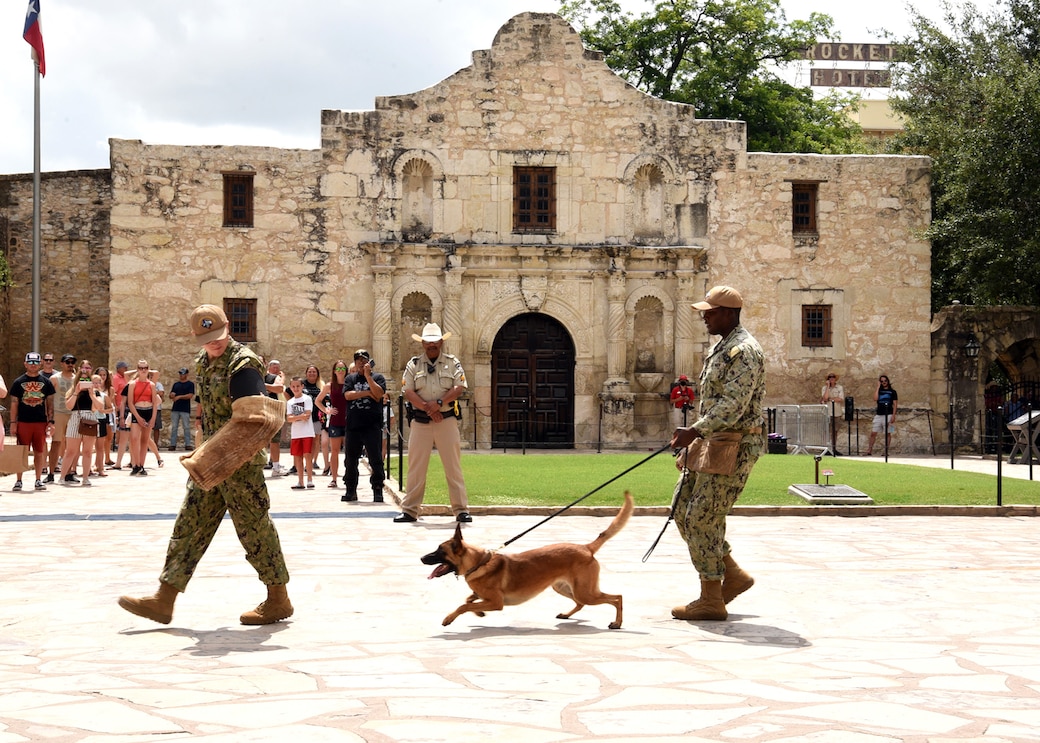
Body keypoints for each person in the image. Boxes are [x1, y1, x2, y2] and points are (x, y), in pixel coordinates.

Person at [118, 304, 292, 626]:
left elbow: (251, 419)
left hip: (239, 463)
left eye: (218, 336)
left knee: (254, 529)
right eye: (207, 339)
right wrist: (204, 451)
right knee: (189, 524)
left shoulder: (243, 364)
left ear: (228, 327)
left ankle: (278, 598)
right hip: (211, 463)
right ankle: (164, 599)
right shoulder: (204, 361)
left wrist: (210, 454)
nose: (214, 343)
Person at [669, 286, 765, 622]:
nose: (704, 316)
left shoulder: (744, 351)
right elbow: (713, 404)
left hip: (735, 444)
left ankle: (711, 597)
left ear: (729, 312)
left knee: (702, 517)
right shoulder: (722, 347)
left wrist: (693, 431)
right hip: (713, 440)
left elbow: (732, 406)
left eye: (710, 311)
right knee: (681, 510)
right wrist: (695, 441)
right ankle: (733, 575)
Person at [397, 323, 470, 523]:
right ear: (423, 344)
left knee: (453, 466)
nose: (431, 345)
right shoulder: (413, 364)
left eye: (435, 342)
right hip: (421, 422)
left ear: (440, 342)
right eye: (428, 342)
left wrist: (439, 404)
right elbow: (408, 391)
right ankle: (410, 510)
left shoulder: (452, 362)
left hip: (445, 420)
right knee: (416, 467)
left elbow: (459, 387)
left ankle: (461, 509)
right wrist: (428, 408)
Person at [342, 349, 387, 504]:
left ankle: (377, 489)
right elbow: (348, 395)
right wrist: (367, 393)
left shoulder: (378, 377)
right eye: (358, 360)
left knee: (375, 459)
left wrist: (368, 377)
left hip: (372, 425)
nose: (361, 363)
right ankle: (350, 490)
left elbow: (379, 394)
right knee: (350, 460)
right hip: (353, 426)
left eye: (364, 360)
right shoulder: (350, 378)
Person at [8, 352, 56, 492]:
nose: (33, 365)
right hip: (23, 421)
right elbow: (14, 403)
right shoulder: (18, 382)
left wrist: (51, 421)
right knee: (22, 451)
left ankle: (38, 479)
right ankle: (18, 480)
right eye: (30, 362)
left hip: (40, 421)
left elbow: (50, 403)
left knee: (39, 451)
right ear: (25, 364)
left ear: (40, 363)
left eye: (35, 363)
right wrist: (13, 422)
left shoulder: (46, 382)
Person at [59, 359, 103, 487]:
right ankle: (62, 476)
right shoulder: (73, 389)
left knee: (88, 451)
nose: (85, 370)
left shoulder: (95, 391)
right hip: (75, 417)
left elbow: (99, 406)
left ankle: (85, 477)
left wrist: (92, 394)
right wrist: (76, 392)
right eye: (83, 367)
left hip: (89, 418)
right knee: (71, 450)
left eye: (88, 368)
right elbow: (68, 406)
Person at [47, 353, 78, 483]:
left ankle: (69, 472)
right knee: (56, 443)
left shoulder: (77, 378)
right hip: (59, 413)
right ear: (62, 364)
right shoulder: (55, 378)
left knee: (72, 445)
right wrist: (49, 416)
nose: (70, 364)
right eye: (67, 362)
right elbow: (48, 398)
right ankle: (51, 473)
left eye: (72, 362)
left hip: (73, 414)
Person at [127, 361, 159, 476]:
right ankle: (135, 464)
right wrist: (137, 417)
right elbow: (130, 402)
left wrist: (153, 418)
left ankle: (141, 465)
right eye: (141, 368)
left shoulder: (151, 385)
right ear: (137, 369)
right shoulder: (132, 384)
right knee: (134, 438)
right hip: (137, 410)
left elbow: (155, 402)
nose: (143, 370)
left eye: (145, 368)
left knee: (145, 440)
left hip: (148, 410)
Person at [320, 359, 349, 488]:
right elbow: (318, 401)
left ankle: (350, 477)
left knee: (350, 451)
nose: (341, 371)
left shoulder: (350, 384)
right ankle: (334, 478)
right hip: (336, 421)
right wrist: (327, 410)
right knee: (335, 451)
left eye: (343, 369)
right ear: (334, 371)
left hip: (349, 421)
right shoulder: (330, 385)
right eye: (338, 369)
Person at [286, 376, 315, 490]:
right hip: (296, 433)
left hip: (307, 432)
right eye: (293, 386)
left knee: (307, 455)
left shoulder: (307, 399)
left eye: (298, 386)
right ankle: (300, 481)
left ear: (302, 386)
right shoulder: (289, 402)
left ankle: (309, 479)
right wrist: (299, 417)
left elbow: (307, 416)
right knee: (297, 457)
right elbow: (289, 418)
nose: (296, 388)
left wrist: (295, 417)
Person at [264, 359, 288, 476]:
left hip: (271, 411)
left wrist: (263, 386)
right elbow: (278, 387)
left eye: (277, 367)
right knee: (269, 440)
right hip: (266, 412)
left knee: (273, 440)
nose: (276, 369)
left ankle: (275, 466)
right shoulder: (271, 377)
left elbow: (279, 389)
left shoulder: (269, 377)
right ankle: (273, 466)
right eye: (274, 367)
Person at [867, 374, 898, 456]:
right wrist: (878, 387)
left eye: (885, 381)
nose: (884, 382)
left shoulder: (893, 392)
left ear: (888, 381)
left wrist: (894, 415)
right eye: (882, 381)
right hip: (879, 414)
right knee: (873, 433)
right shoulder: (879, 391)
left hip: (889, 414)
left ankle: (886, 451)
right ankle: (869, 450)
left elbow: (895, 404)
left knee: (888, 433)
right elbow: (875, 399)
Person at [92, 370, 114, 477]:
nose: (96, 385)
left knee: (100, 447)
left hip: (100, 420)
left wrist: (103, 411)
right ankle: (89, 468)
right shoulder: (87, 395)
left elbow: (111, 408)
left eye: (98, 382)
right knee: (88, 447)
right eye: (94, 382)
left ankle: (100, 468)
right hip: (89, 421)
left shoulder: (104, 395)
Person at [109, 361, 131, 470]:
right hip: (121, 407)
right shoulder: (116, 378)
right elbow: (114, 393)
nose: (127, 369)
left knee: (132, 437)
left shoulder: (125, 379)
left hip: (128, 408)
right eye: (125, 367)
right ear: (119, 368)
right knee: (122, 435)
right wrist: (116, 406)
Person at [168, 367, 195, 451]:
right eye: (180, 374)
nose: (181, 375)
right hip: (175, 408)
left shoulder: (190, 384)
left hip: (185, 408)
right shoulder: (176, 384)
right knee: (174, 427)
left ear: (187, 374)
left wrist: (179, 397)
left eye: (183, 374)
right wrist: (171, 395)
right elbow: (171, 395)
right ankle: (172, 444)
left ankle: (188, 444)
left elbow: (190, 395)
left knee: (186, 427)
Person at [820, 372, 845, 455]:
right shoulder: (824, 388)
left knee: (835, 431)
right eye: (829, 377)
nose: (831, 379)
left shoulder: (839, 387)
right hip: (827, 412)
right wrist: (828, 387)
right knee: (826, 431)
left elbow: (840, 399)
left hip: (837, 412)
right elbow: (825, 398)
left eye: (833, 377)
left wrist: (830, 399)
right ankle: (826, 448)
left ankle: (834, 448)